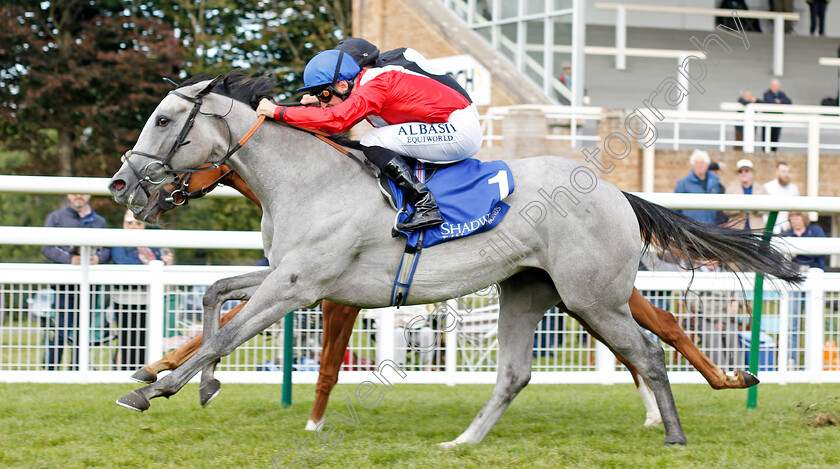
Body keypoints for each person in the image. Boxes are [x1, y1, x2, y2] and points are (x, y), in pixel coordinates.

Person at [256, 47, 483, 234]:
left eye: (324, 95)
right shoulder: (364, 85)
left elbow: (337, 120)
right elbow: (338, 111)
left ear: (343, 85)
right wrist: (314, 103)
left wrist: (277, 111)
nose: (322, 102)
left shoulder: (375, 84)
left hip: (459, 130)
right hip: (448, 126)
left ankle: (426, 204)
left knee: (373, 140)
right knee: (377, 139)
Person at [42, 194, 111, 370]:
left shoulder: (99, 221)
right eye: (74, 192)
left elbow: (107, 249)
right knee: (61, 327)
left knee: (84, 328)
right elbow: (47, 248)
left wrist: (98, 258)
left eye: (82, 192)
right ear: (68, 195)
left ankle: (78, 367)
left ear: (88, 195)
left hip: (89, 284)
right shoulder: (56, 217)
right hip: (63, 283)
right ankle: (51, 368)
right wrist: (69, 259)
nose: (78, 196)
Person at [111, 210, 174, 370]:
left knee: (145, 338)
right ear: (124, 224)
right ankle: (123, 371)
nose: (133, 226)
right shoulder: (118, 241)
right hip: (125, 298)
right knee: (127, 338)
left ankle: (142, 370)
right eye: (129, 223)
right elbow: (122, 262)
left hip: (148, 298)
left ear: (143, 225)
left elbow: (160, 261)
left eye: (137, 223)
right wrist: (152, 266)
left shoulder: (150, 243)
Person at [673, 150, 724, 225]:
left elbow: (720, 209)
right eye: (697, 163)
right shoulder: (683, 184)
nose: (699, 165)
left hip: (712, 229)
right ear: (693, 165)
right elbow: (675, 209)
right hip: (691, 229)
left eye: (702, 163)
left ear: (707, 165)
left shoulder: (716, 183)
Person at [723, 159, 768, 231]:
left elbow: (767, 208)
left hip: (756, 228)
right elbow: (725, 210)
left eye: (746, 171)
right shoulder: (730, 189)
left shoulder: (761, 189)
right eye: (740, 171)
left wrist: (756, 209)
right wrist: (739, 208)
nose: (743, 173)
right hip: (736, 228)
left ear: (752, 173)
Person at [763, 161, 800, 233]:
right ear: (776, 173)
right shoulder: (768, 187)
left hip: (789, 229)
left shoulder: (794, 189)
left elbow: (796, 211)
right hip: (771, 228)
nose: (786, 174)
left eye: (788, 172)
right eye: (783, 172)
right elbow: (764, 211)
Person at [762, 79, 792, 152]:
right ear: (771, 86)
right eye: (774, 86)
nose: (775, 87)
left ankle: (773, 151)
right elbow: (770, 102)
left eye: (777, 86)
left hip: (777, 120)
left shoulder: (781, 94)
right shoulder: (767, 94)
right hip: (767, 120)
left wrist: (780, 101)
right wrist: (778, 102)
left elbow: (789, 101)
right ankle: (765, 152)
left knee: (775, 138)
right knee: (766, 137)